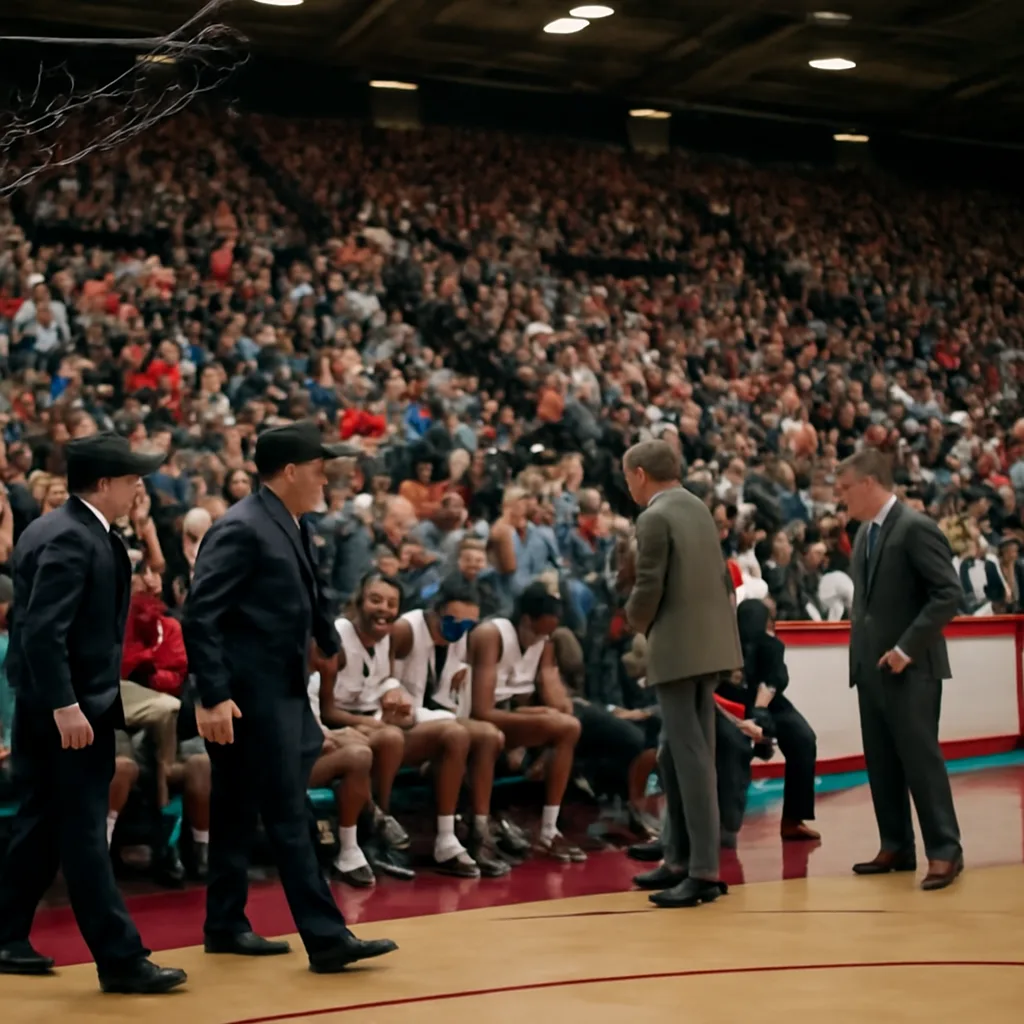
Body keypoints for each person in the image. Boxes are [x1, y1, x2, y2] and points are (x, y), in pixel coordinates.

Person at [182, 420, 397, 972]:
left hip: (280, 689)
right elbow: (201, 614)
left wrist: (328, 640)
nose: (328, 479)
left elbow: (309, 591)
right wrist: (212, 695)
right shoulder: (242, 527)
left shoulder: (290, 522)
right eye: (321, 469)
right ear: (293, 470)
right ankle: (326, 937)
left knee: (235, 808)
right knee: (288, 811)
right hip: (250, 696)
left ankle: (225, 924)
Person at [0, 433, 186, 994]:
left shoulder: (70, 530)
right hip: (68, 712)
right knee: (82, 834)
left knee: (40, 824)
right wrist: (66, 706)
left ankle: (6, 935)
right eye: (132, 479)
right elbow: (39, 632)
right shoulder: (71, 538)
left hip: (63, 707)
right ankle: (120, 958)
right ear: (104, 483)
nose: (139, 488)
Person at [835, 448, 964, 891]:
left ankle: (945, 850)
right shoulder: (867, 534)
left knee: (920, 761)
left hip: (912, 668)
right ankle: (896, 844)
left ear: (869, 483)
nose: (841, 498)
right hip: (871, 670)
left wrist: (906, 648)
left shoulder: (915, 528)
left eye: (846, 488)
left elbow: (947, 594)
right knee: (881, 762)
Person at [622, 439, 742, 909]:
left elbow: (650, 582)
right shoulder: (697, 508)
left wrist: (632, 621)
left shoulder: (653, 517)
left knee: (690, 760)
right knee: (677, 753)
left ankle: (702, 871)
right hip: (710, 646)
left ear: (638, 474)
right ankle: (677, 856)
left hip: (677, 648)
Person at [391, 574, 510, 877]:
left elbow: (444, 701)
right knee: (457, 731)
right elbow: (385, 689)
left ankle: (479, 830)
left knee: (490, 736)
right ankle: (445, 839)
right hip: (394, 727)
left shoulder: (459, 640)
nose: (461, 630)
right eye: (454, 621)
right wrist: (442, 717)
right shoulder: (405, 630)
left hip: (432, 723)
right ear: (436, 610)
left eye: (469, 625)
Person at [467, 580, 585, 863]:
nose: (541, 638)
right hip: (473, 717)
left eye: (548, 632)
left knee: (568, 722)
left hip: (506, 717)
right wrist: (540, 719)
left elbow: (527, 698)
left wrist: (540, 730)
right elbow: (481, 710)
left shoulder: (543, 640)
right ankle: (493, 830)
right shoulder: (490, 634)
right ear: (525, 619)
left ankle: (549, 830)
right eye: (538, 631)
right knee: (567, 726)